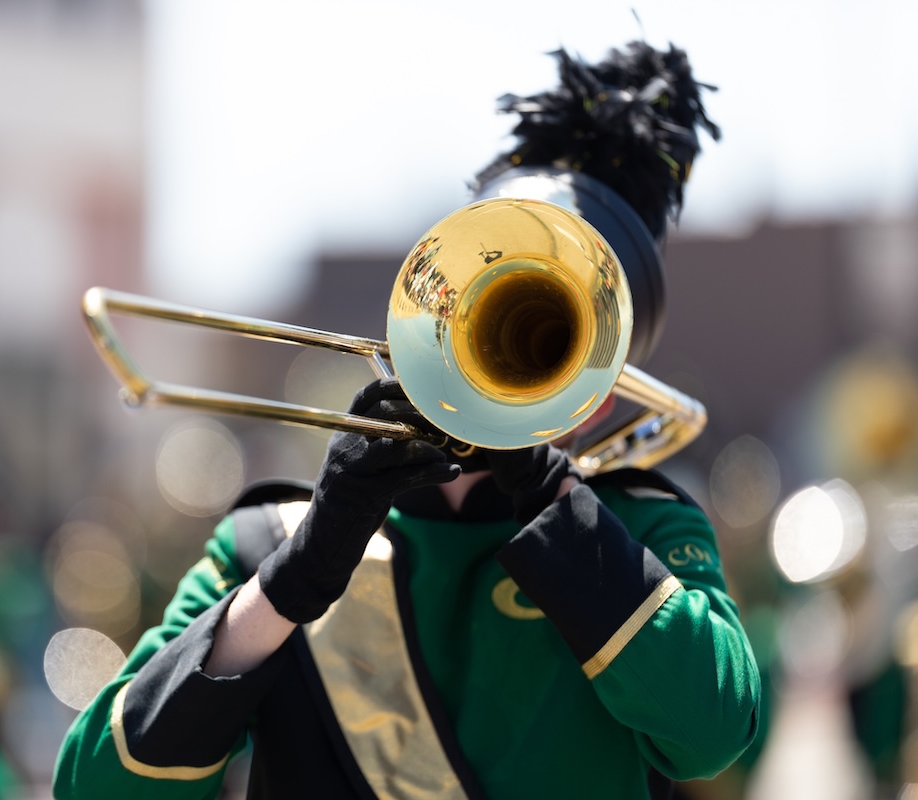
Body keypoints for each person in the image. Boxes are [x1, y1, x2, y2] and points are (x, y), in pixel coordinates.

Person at [54, 40, 761, 799]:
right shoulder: (271, 544)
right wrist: (294, 581)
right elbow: (94, 786)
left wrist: (561, 510)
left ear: (609, 390)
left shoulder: (641, 530)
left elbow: (714, 736)